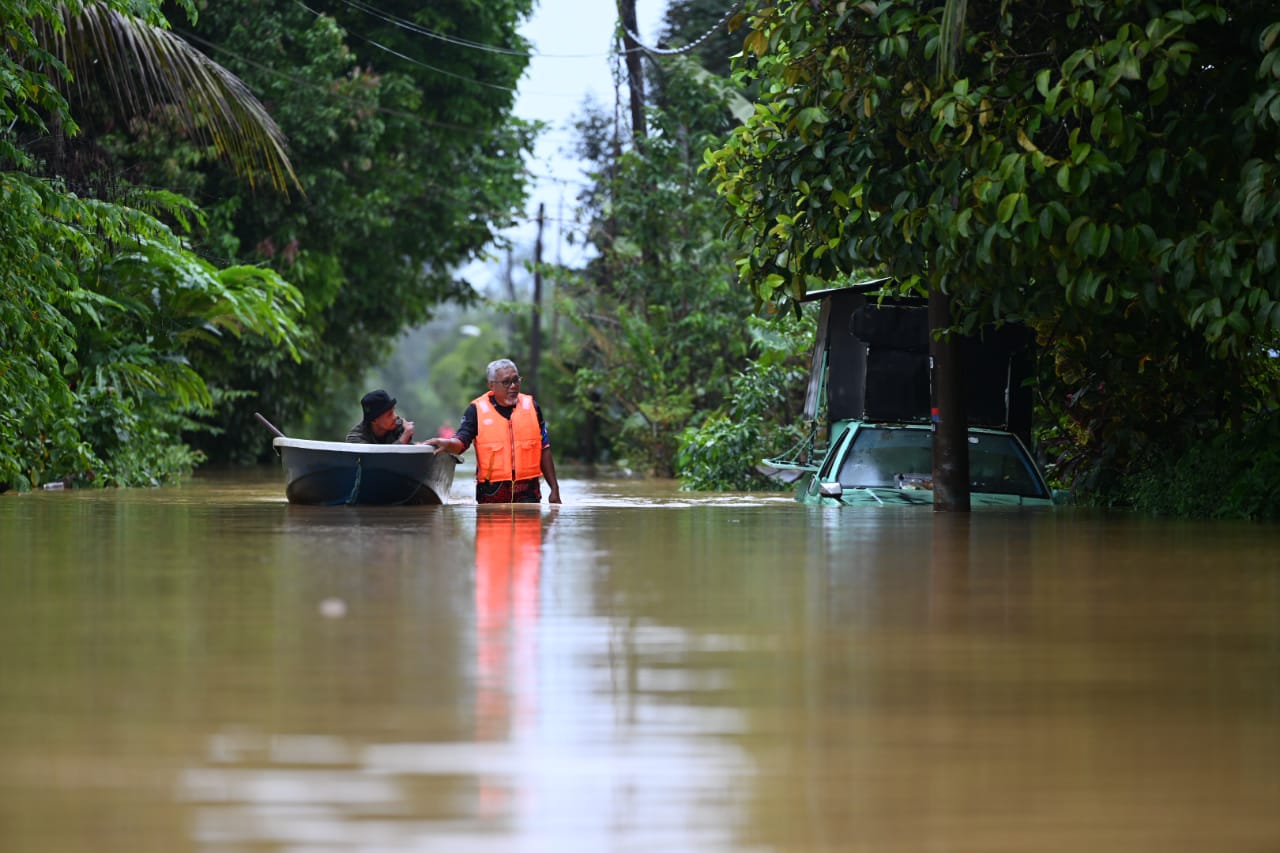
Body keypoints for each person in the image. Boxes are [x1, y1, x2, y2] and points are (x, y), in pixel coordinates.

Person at [424, 359, 562, 504]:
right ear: (491, 385)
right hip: (492, 494)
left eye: (516, 380)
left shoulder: (532, 407)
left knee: (530, 526)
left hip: (528, 492)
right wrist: (448, 444)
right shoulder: (476, 410)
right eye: (506, 382)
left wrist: (554, 488)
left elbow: (544, 448)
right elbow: (462, 441)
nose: (513, 386)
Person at [346, 389, 415, 444]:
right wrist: (404, 437)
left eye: (394, 411)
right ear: (374, 420)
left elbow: (409, 456)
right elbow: (377, 460)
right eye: (390, 414)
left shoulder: (399, 427)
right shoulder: (355, 437)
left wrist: (421, 448)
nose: (396, 416)